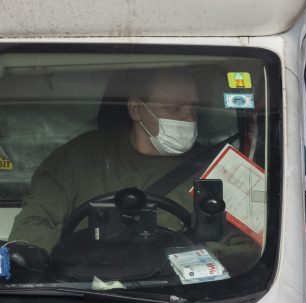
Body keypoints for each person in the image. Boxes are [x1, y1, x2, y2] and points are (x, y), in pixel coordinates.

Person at [9, 68, 256, 273]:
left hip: (180, 298)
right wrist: (59, 263)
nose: (189, 118)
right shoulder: (80, 157)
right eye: (174, 109)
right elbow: (34, 222)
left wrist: (180, 261)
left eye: (194, 107)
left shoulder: (224, 169)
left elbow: (252, 247)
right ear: (136, 109)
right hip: (83, 293)